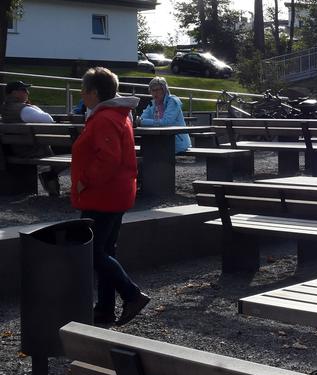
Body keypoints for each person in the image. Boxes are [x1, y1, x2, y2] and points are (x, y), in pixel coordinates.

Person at [71, 67, 151, 326]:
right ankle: (104, 309)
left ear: (94, 92)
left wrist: (84, 181)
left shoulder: (105, 118)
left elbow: (108, 159)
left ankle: (131, 294)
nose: (81, 96)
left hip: (103, 195)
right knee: (105, 250)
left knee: (93, 252)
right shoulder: (116, 115)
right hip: (115, 193)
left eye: (84, 91)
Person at [1, 80, 60, 196]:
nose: (27, 92)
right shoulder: (23, 110)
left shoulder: (5, 109)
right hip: (32, 150)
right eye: (23, 90)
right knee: (68, 148)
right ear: (14, 93)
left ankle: (52, 188)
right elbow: (48, 119)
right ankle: (53, 188)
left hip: (17, 148)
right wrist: (33, 106)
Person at [139, 77, 191, 153]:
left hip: (176, 143)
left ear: (165, 90)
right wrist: (141, 121)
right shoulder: (153, 104)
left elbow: (166, 122)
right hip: (160, 142)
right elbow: (142, 119)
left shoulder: (173, 101)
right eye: (152, 90)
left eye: (158, 90)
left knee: (150, 151)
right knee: (146, 149)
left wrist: (142, 122)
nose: (155, 93)